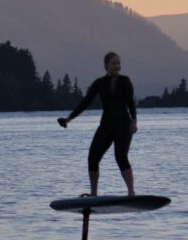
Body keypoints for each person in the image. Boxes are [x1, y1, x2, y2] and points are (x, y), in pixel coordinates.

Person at [58, 52, 138, 196]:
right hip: (106, 125)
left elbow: (130, 103)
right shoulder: (99, 83)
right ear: (106, 65)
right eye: (114, 63)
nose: (117, 66)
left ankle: (131, 192)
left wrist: (134, 121)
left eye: (118, 63)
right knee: (92, 158)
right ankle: (94, 194)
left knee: (120, 156)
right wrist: (69, 119)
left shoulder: (125, 81)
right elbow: (85, 102)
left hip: (123, 126)